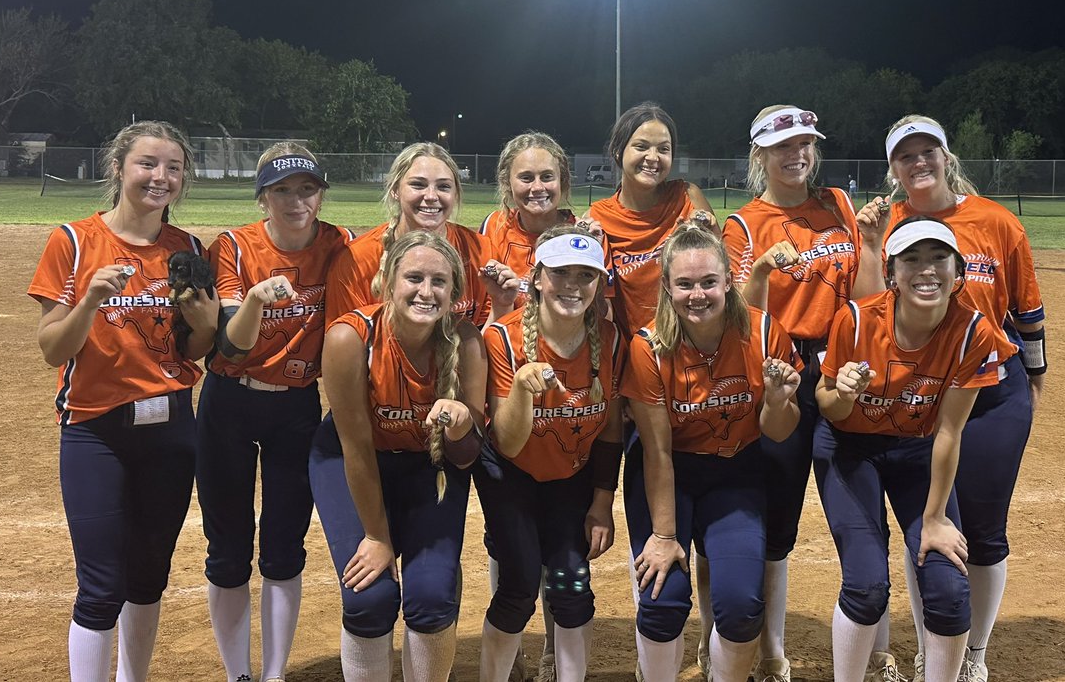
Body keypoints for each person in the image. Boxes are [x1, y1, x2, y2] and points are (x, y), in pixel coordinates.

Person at [857, 116, 1047, 682]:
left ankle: (974, 653)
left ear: (947, 157)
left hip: (991, 394)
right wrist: (869, 244)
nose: (918, 163)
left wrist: (1034, 379)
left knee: (984, 529)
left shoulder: (995, 221)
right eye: (904, 156)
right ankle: (930, 648)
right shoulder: (886, 223)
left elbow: (1028, 312)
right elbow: (867, 313)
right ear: (892, 168)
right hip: (915, 397)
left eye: (928, 152)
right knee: (927, 530)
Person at [28, 120, 219, 682]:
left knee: (149, 574)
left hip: (172, 428)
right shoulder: (75, 239)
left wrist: (207, 323)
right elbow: (50, 349)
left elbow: (197, 349)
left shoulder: (185, 248)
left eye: (173, 168)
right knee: (100, 584)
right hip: (96, 430)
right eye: (148, 164)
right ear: (119, 169)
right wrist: (87, 301)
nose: (161, 177)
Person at [816, 217, 1012, 682]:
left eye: (939, 258)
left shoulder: (972, 332)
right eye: (911, 259)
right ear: (891, 274)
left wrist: (935, 518)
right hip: (850, 447)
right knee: (866, 586)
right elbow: (828, 408)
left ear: (958, 271)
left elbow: (949, 431)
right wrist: (843, 393)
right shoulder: (857, 319)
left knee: (947, 587)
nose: (927, 270)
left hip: (917, 448)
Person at [716, 105, 870, 682]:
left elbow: (867, 289)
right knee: (776, 514)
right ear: (761, 156)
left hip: (842, 367)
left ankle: (876, 648)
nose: (796, 154)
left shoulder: (839, 205)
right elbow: (739, 317)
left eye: (805, 143)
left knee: (860, 498)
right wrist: (758, 269)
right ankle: (772, 653)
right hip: (778, 369)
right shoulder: (744, 224)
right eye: (783, 147)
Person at [197, 145, 354, 682]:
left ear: (321, 193)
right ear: (263, 196)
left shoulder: (340, 245)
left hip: (296, 407)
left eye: (306, 188)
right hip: (230, 401)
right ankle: (238, 672)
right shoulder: (236, 246)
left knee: (285, 544)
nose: (296, 200)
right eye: (282, 190)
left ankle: (274, 674)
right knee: (228, 547)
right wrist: (258, 302)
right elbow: (232, 346)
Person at [621, 222, 803, 682]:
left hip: (735, 471)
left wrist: (780, 400)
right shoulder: (648, 347)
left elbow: (777, 433)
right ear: (666, 287)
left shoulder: (762, 332)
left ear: (727, 281)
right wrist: (664, 537)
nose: (696, 295)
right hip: (669, 471)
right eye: (684, 284)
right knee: (663, 601)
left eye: (708, 282)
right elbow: (657, 450)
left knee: (742, 608)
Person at [309, 230, 487, 682]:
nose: (426, 292)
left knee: (431, 597)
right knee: (370, 598)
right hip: (354, 462)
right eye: (413, 278)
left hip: (429, 467)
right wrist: (378, 536)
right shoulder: (352, 338)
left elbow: (466, 460)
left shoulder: (465, 343)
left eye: (439, 282)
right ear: (387, 281)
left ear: (455, 292)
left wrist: (463, 425)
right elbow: (355, 447)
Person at [477, 228, 626, 682]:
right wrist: (523, 388)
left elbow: (612, 427)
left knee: (572, 588)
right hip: (511, 475)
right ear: (538, 278)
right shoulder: (502, 339)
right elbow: (507, 443)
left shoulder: (612, 340)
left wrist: (602, 502)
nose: (572, 285)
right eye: (560, 273)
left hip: (573, 476)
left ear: (599, 284)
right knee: (519, 589)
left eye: (586, 275)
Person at [325, 142, 519, 328]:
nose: (432, 196)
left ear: (456, 194)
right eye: (418, 185)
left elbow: (485, 343)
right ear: (395, 190)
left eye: (443, 186)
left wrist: (501, 306)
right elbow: (344, 345)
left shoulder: (481, 251)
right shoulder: (355, 261)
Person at [584, 102, 715, 340]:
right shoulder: (598, 217)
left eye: (663, 149)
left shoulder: (687, 196)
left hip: (693, 345)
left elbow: (722, 274)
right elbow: (598, 305)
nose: (653, 158)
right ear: (618, 151)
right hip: (635, 354)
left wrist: (710, 229)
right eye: (641, 146)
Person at [479, 131, 577, 307]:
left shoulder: (581, 236)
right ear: (507, 182)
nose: (537, 187)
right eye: (526, 178)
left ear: (562, 180)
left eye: (547, 177)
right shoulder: (494, 226)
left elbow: (600, 312)